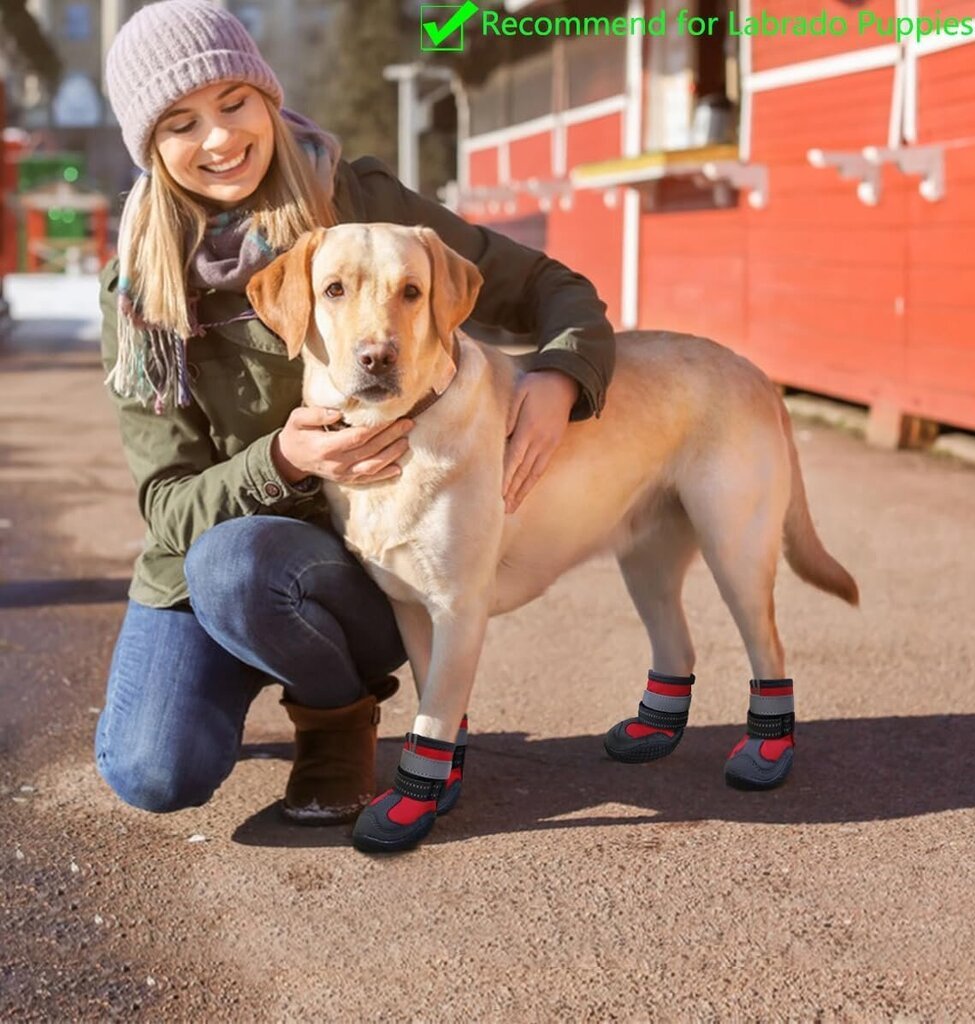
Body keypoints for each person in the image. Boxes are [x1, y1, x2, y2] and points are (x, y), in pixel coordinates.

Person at [95, 0, 615, 825]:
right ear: (152, 149)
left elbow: (553, 289)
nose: (221, 138)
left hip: (362, 557)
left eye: (235, 102)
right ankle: (255, 656)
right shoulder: (142, 292)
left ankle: (336, 713)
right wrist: (284, 460)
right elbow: (168, 509)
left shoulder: (357, 200)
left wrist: (562, 377)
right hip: (225, 552)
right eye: (182, 123)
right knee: (153, 769)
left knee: (247, 567)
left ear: (268, 98)